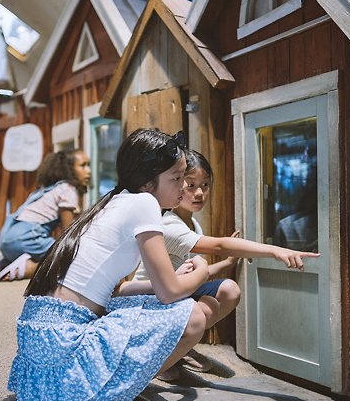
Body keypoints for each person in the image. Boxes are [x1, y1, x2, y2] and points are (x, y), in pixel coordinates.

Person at [8, 128, 212, 401]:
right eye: (177, 178)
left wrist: (166, 283)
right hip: (67, 340)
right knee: (193, 315)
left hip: (42, 337)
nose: (184, 188)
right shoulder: (145, 204)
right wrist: (204, 271)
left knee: (153, 303)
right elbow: (170, 293)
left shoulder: (113, 200)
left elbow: (111, 290)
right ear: (147, 181)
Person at [132, 149, 320, 381]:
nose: (199, 192)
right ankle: (161, 357)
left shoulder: (193, 224)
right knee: (202, 309)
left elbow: (197, 274)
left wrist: (228, 263)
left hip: (173, 294)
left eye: (205, 184)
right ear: (177, 183)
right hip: (146, 302)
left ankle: (177, 349)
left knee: (228, 290)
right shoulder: (169, 224)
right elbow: (219, 246)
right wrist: (274, 250)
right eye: (190, 185)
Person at [0, 149, 91, 281]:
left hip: (6, 241)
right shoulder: (67, 189)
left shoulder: (45, 189)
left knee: (56, 249)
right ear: (69, 169)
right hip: (27, 238)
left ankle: (6, 262)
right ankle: (26, 268)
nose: (88, 171)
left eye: (88, 165)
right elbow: (68, 231)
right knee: (69, 258)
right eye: (82, 165)